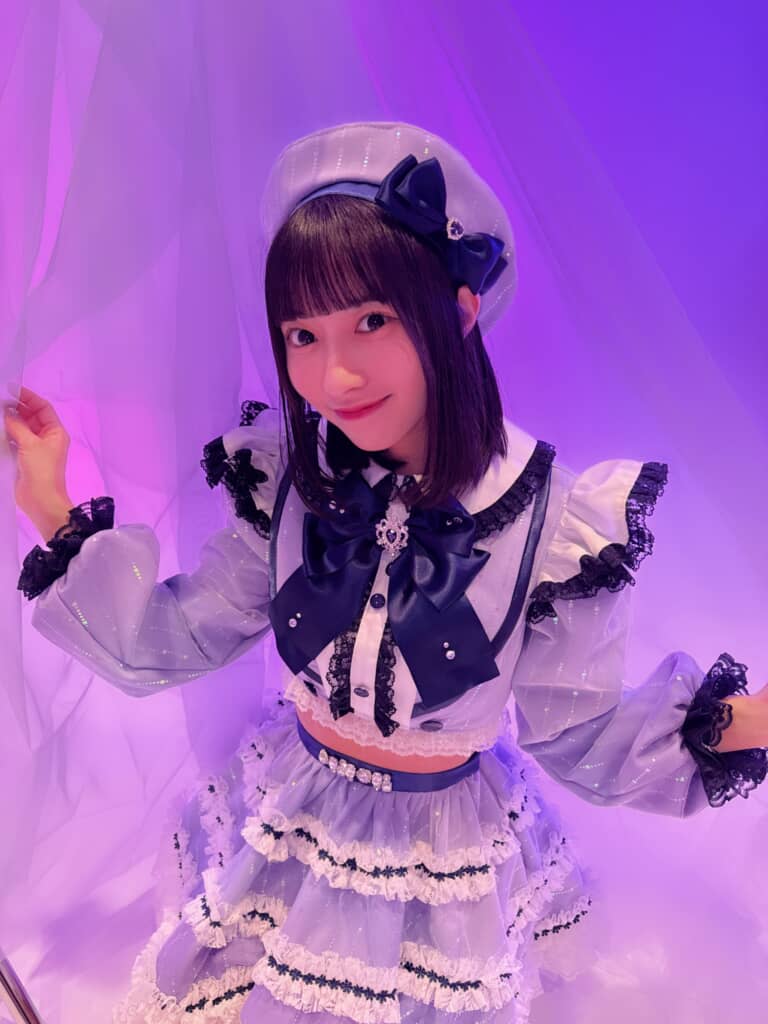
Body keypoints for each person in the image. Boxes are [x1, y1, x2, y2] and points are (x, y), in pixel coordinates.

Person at [4, 121, 767, 1024]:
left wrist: (749, 721)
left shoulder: (554, 522)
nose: (335, 376)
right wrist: (49, 504)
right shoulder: (286, 479)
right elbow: (171, 640)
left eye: (373, 320)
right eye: (302, 333)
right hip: (291, 814)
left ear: (460, 311)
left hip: (440, 855)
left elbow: (583, 737)